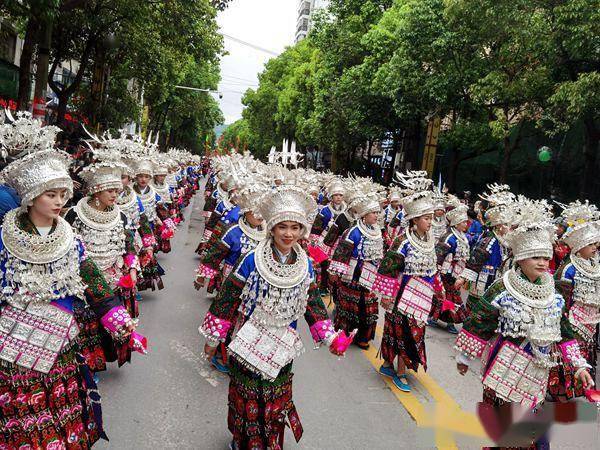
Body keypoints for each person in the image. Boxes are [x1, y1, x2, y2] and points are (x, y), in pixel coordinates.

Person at [0, 112, 136, 447]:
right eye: (52, 195)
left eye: (64, 194)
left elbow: (93, 281)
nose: (61, 202)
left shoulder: (69, 240)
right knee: (20, 421)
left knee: (61, 415)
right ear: (32, 197)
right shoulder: (4, 238)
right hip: (13, 345)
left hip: (60, 341)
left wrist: (119, 319)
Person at [201, 184, 350, 449]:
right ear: (272, 228)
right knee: (246, 392)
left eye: (295, 228)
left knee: (274, 395)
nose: (288, 234)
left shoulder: (305, 266)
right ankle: (242, 438)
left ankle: (268, 439)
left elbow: (313, 304)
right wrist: (213, 338)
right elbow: (227, 299)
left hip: (284, 341)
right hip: (249, 336)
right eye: (283, 227)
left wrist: (331, 338)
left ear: (302, 231)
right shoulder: (250, 259)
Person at [455, 197, 592, 448]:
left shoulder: (554, 292)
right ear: (520, 258)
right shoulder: (502, 288)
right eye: (535, 257)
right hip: (503, 367)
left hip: (537, 372)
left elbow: (564, 331)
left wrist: (579, 366)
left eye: (545, 257)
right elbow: (480, 322)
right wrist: (465, 358)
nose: (542, 262)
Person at [65, 159, 144, 369]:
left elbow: (128, 244)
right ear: (96, 190)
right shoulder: (73, 214)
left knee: (108, 321)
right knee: (87, 323)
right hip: (83, 279)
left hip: (113, 278)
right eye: (109, 190)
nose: (114, 195)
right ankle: (88, 365)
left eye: (116, 191)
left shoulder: (122, 216)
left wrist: (133, 267)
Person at [371, 171, 443, 392]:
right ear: (414, 219)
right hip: (401, 294)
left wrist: (438, 289)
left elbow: (433, 268)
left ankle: (395, 366)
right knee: (398, 331)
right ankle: (395, 369)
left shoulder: (431, 240)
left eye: (431, 217)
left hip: (422, 294)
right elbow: (387, 268)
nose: (430, 222)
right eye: (426, 218)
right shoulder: (402, 241)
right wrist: (387, 296)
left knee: (414, 332)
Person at [550, 200, 600, 400]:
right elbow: (561, 299)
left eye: (596, 244)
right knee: (567, 351)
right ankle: (559, 388)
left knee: (584, 353)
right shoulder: (568, 269)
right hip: (572, 320)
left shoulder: (595, 266)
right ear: (578, 248)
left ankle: (578, 387)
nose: (596, 248)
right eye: (591, 245)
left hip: (591, 320)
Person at [328, 189, 383, 350]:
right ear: (364, 214)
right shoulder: (353, 232)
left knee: (368, 308)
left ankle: (362, 337)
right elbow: (341, 253)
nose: (376, 215)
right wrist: (334, 273)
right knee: (348, 307)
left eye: (377, 212)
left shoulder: (377, 231)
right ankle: (344, 335)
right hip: (352, 276)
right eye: (373, 212)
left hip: (369, 277)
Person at [429, 199, 471, 334]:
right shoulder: (449, 238)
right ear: (456, 223)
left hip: (456, 273)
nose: (466, 224)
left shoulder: (462, 236)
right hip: (446, 273)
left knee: (451, 297)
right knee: (445, 296)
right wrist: (438, 273)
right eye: (464, 222)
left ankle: (446, 321)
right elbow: (439, 256)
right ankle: (440, 320)